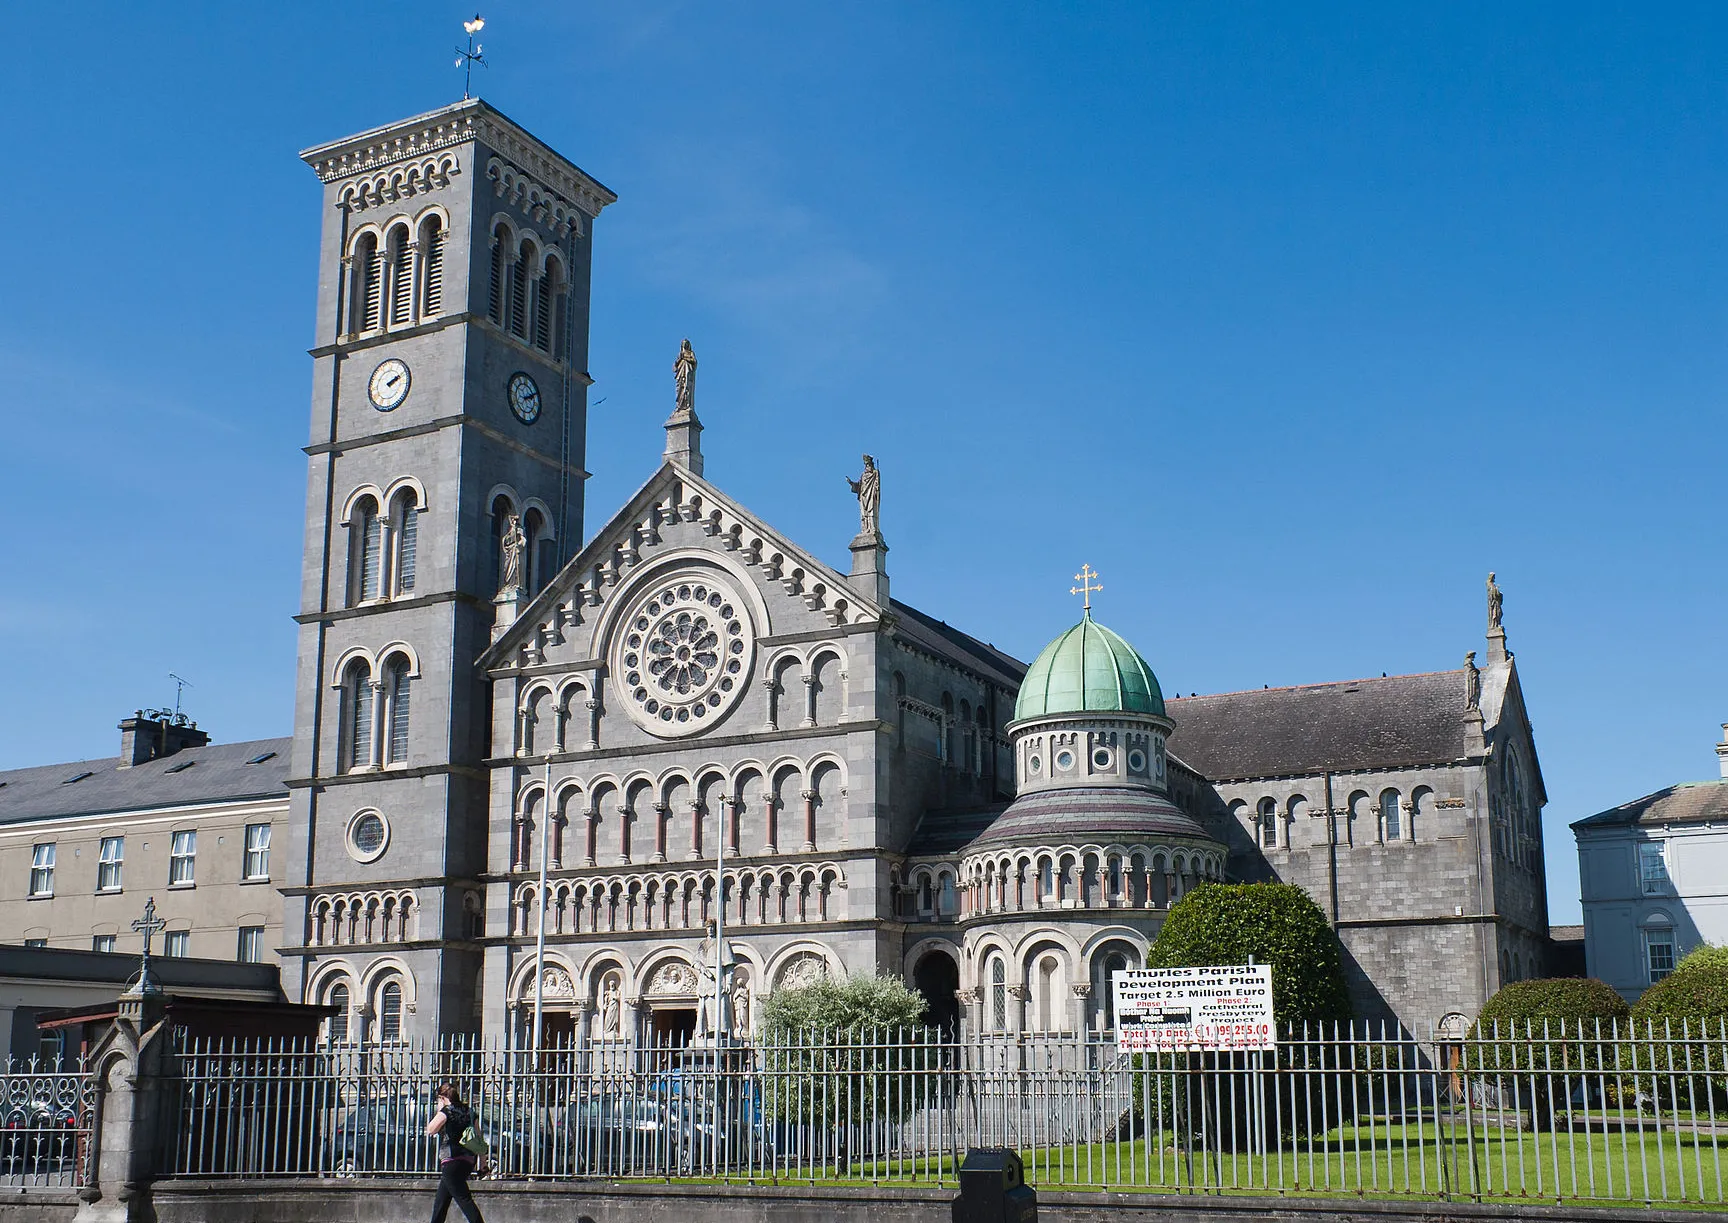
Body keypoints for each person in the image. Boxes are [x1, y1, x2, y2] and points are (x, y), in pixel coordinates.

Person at [425, 1082, 486, 1223]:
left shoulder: (447, 1111)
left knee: (464, 1200)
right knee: (441, 1202)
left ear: (442, 1098)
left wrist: (440, 1110)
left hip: (451, 1162)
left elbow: (430, 1129)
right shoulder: (470, 1112)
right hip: (468, 1161)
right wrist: (483, 1163)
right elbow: (479, 1139)